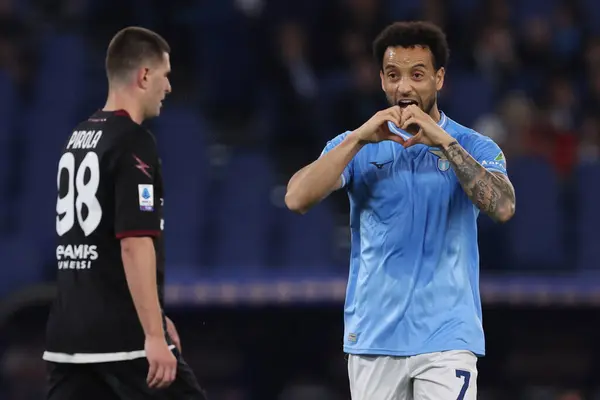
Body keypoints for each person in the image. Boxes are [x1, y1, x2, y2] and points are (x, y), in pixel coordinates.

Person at [285, 21, 516, 400]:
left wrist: (445, 142)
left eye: (417, 74)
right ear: (381, 80)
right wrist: (359, 137)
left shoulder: (475, 144)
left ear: (439, 79)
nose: (404, 87)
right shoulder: (356, 144)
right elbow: (296, 198)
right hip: (374, 336)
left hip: (447, 337)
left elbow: (504, 207)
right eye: (393, 75)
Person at [43, 26, 207, 399]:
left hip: (68, 336)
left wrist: (157, 315)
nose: (168, 88)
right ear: (144, 75)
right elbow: (133, 242)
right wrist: (152, 333)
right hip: (122, 338)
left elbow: (94, 243)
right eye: (165, 76)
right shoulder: (133, 141)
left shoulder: (79, 137)